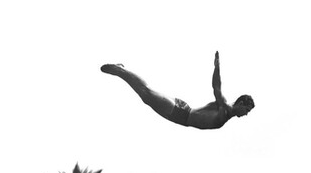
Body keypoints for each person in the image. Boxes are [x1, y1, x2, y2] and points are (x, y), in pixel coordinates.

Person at [100, 51, 254, 130]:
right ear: (240, 103)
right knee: (146, 94)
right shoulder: (224, 108)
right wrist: (217, 67)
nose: (246, 114)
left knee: (146, 97)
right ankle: (120, 70)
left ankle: (122, 71)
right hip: (182, 113)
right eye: (246, 109)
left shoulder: (225, 118)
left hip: (182, 114)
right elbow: (216, 88)